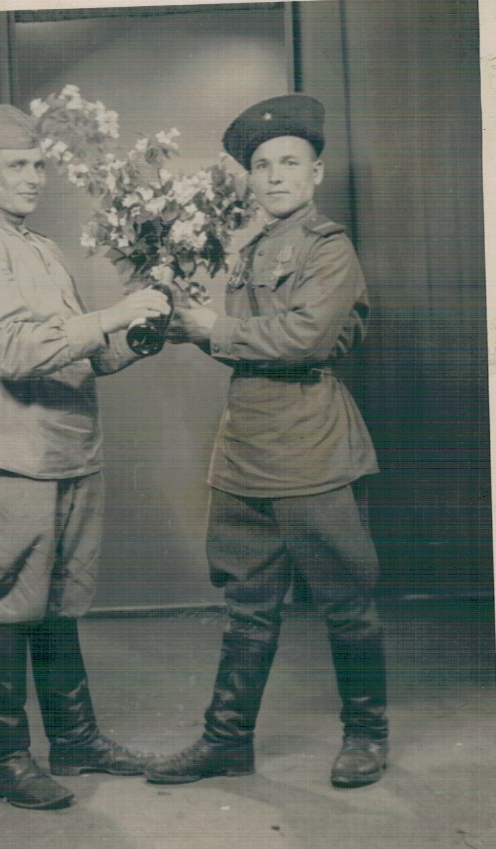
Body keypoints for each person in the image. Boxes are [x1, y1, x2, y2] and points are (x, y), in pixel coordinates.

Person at [145, 94, 388, 789]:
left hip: (309, 449)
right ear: (249, 177)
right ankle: (226, 740)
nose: (275, 176)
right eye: (262, 165)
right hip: (244, 449)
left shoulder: (328, 247)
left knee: (345, 600)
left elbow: (304, 337)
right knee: (245, 603)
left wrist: (213, 328)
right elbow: (245, 342)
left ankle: (367, 736)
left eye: (289, 162)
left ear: (316, 172)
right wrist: (181, 323)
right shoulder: (249, 246)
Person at [0, 104, 170, 810]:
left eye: (39, 164)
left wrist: (143, 329)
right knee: (8, 606)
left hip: (71, 447)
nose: (33, 177)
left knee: (60, 602)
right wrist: (110, 315)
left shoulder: (40, 247)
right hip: (15, 452)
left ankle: (74, 740)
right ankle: (4, 759)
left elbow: (84, 351)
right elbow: (14, 353)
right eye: (17, 165)